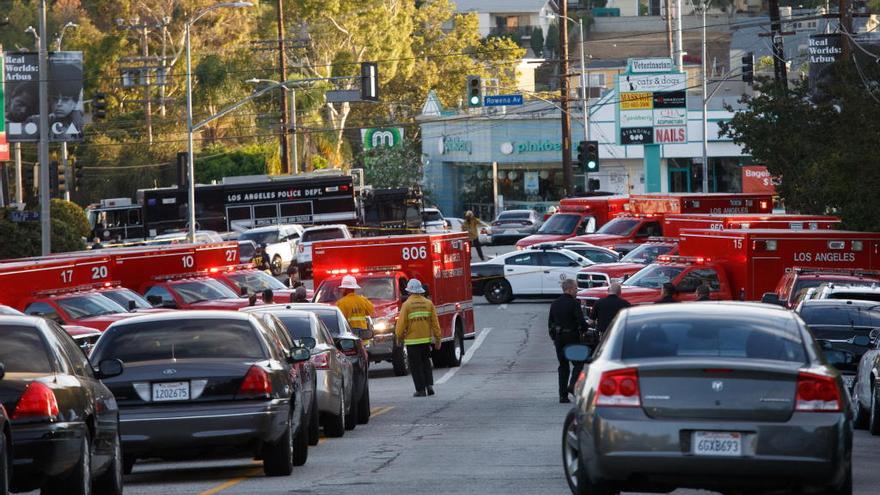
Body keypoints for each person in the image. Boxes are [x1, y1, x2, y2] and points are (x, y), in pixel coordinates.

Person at [395, 279, 442, 397]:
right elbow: (435, 323)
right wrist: (438, 339)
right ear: (420, 290)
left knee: (416, 366)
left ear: (409, 291)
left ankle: (420, 390)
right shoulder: (428, 303)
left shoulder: (406, 305)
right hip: (426, 340)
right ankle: (429, 385)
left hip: (412, 341)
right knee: (426, 363)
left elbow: (401, 324)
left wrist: (398, 338)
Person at [549, 279, 589, 403]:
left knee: (563, 366)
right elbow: (581, 321)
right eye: (576, 288)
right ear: (570, 289)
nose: (577, 291)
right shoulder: (574, 303)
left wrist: (554, 337)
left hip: (559, 338)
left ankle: (562, 396)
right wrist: (585, 329)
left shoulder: (555, 303)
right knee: (579, 363)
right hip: (571, 337)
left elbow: (550, 323)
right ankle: (572, 385)